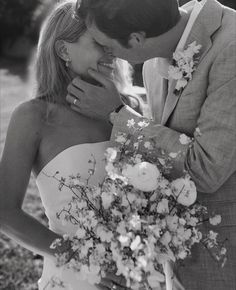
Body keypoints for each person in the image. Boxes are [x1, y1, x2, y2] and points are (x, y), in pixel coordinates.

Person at [67, 0, 236, 289]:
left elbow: (207, 168)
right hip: (179, 256)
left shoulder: (231, 46)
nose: (106, 52)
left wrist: (119, 114)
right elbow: (162, 151)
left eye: (106, 44)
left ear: (136, 39)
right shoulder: (151, 64)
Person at [0, 1, 139, 289]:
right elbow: (4, 211)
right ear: (63, 50)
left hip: (139, 274)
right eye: (100, 42)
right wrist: (84, 258)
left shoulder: (130, 108)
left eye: (113, 41)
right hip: (74, 276)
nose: (111, 51)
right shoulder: (34, 116)